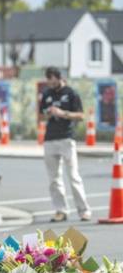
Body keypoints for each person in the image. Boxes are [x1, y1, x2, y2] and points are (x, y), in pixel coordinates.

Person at [40, 67, 91, 222]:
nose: (50, 82)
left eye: (52, 78)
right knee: (54, 178)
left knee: (73, 175)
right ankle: (61, 210)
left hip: (66, 138)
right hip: (50, 139)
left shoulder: (70, 93)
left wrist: (63, 113)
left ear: (59, 77)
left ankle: (84, 210)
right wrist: (48, 114)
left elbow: (81, 116)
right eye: (48, 79)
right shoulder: (47, 94)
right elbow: (41, 117)